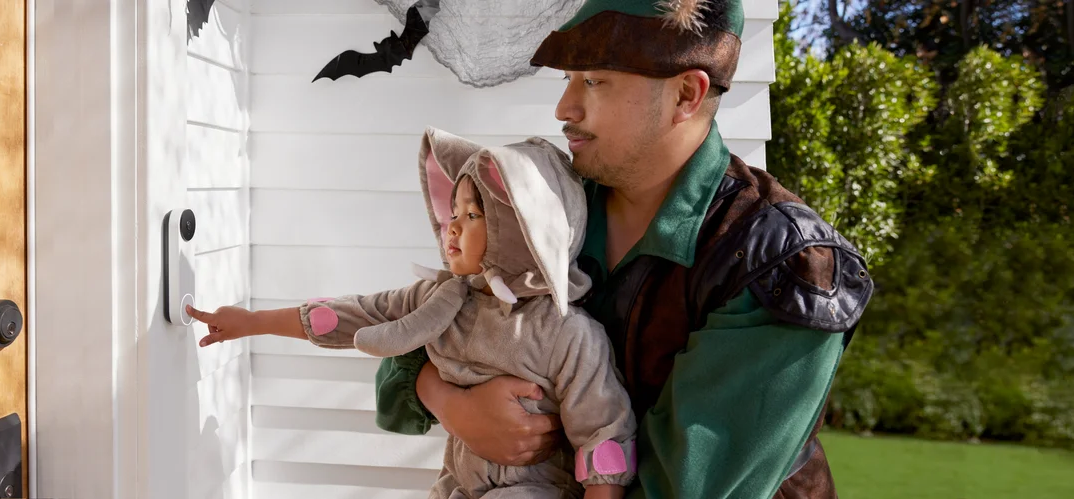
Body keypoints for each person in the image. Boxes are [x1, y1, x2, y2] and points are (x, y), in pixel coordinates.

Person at [371, 0, 875, 498]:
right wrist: (452, 403)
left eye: (593, 80)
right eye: (567, 79)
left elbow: (684, 488)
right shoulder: (551, 211)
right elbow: (412, 344)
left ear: (686, 94)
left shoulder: (781, 262)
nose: (564, 108)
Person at [187, 128, 639, 499]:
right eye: (453, 211)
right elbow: (351, 315)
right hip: (458, 483)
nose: (453, 225)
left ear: (522, 226)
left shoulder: (567, 334)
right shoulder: (438, 297)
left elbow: (603, 439)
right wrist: (253, 322)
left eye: (474, 213)